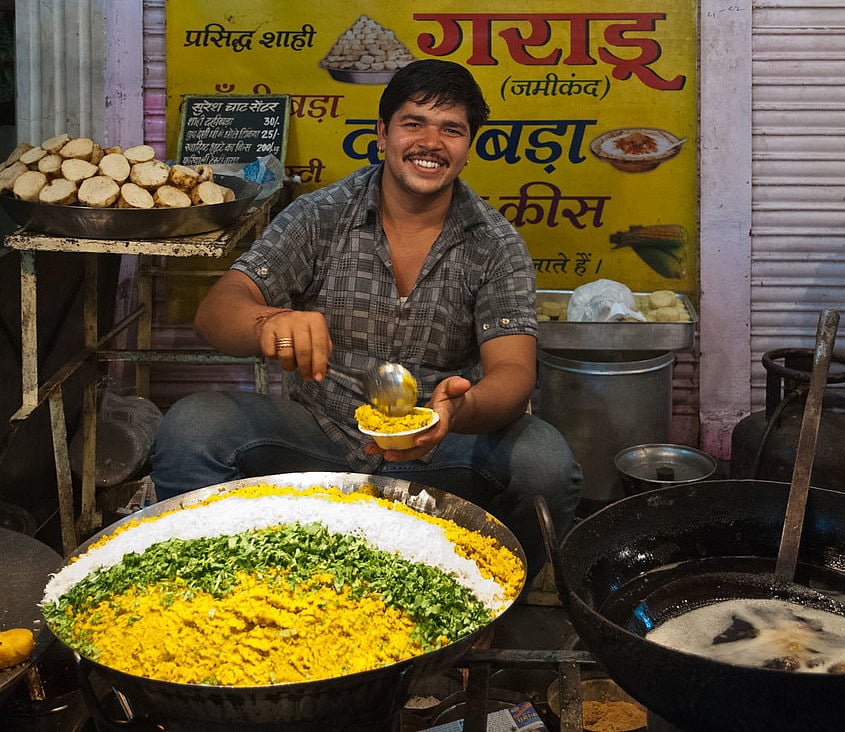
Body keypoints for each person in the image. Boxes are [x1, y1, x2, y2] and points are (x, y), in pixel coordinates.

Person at [151, 59, 582, 585]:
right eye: (413, 123)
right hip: (320, 433)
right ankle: (218, 592)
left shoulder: (495, 243)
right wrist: (272, 322)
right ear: (382, 134)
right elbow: (217, 310)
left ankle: (486, 608)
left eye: (452, 129)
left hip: (439, 443)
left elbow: (514, 372)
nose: (431, 142)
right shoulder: (321, 215)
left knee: (547, 463)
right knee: (194, 425)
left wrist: (458, 410)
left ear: (469, 147)